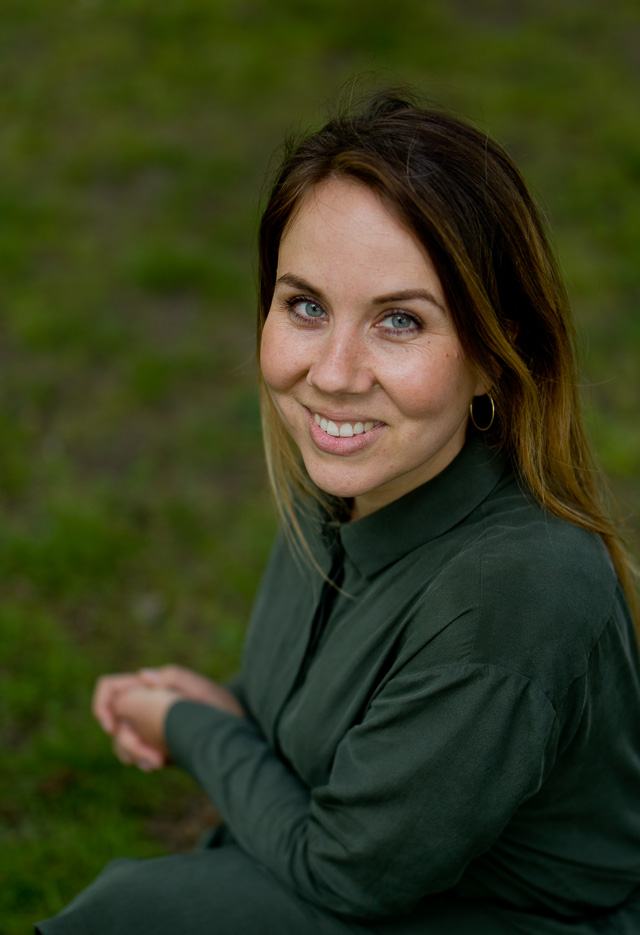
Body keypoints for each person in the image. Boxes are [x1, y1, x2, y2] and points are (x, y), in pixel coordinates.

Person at [36, 91, 640, 934]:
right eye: (307, 306)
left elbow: (350, 872)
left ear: (494, 358)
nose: (335, 371)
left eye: (400, 320)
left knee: (134, 912)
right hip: (381, 878)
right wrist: (232, 704)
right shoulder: (350, 491)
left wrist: (197, 729)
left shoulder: (518, 591)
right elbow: (349, 706)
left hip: (502, 917)